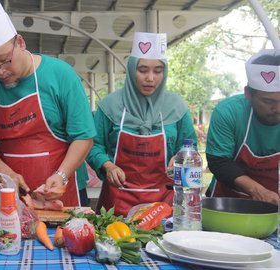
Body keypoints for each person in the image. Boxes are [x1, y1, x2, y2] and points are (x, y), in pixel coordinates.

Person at [0, 0, 96, 207]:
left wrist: (62, 175)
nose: (0, 71)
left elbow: (83, 136)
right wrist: (7, 174)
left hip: (62, 189)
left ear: (20, 43)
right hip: (10, 192)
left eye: (5, 61)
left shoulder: (60, 75)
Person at [86, 32, 197, 216]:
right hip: (117, 203)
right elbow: (93, 144)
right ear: (131, 70)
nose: (150, 78)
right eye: (143, 70)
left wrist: (181, 158)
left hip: (164, 205)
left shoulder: (176, 107)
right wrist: (107, 165)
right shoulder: (110, 105)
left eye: (158, 71)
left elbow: (189, 145)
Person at [207, 49, 280, 205]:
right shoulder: (228, 112)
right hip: (229, 204)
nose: (277, 109)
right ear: (248, 93)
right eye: (268, 102)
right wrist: (258, 191)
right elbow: (219, 162)